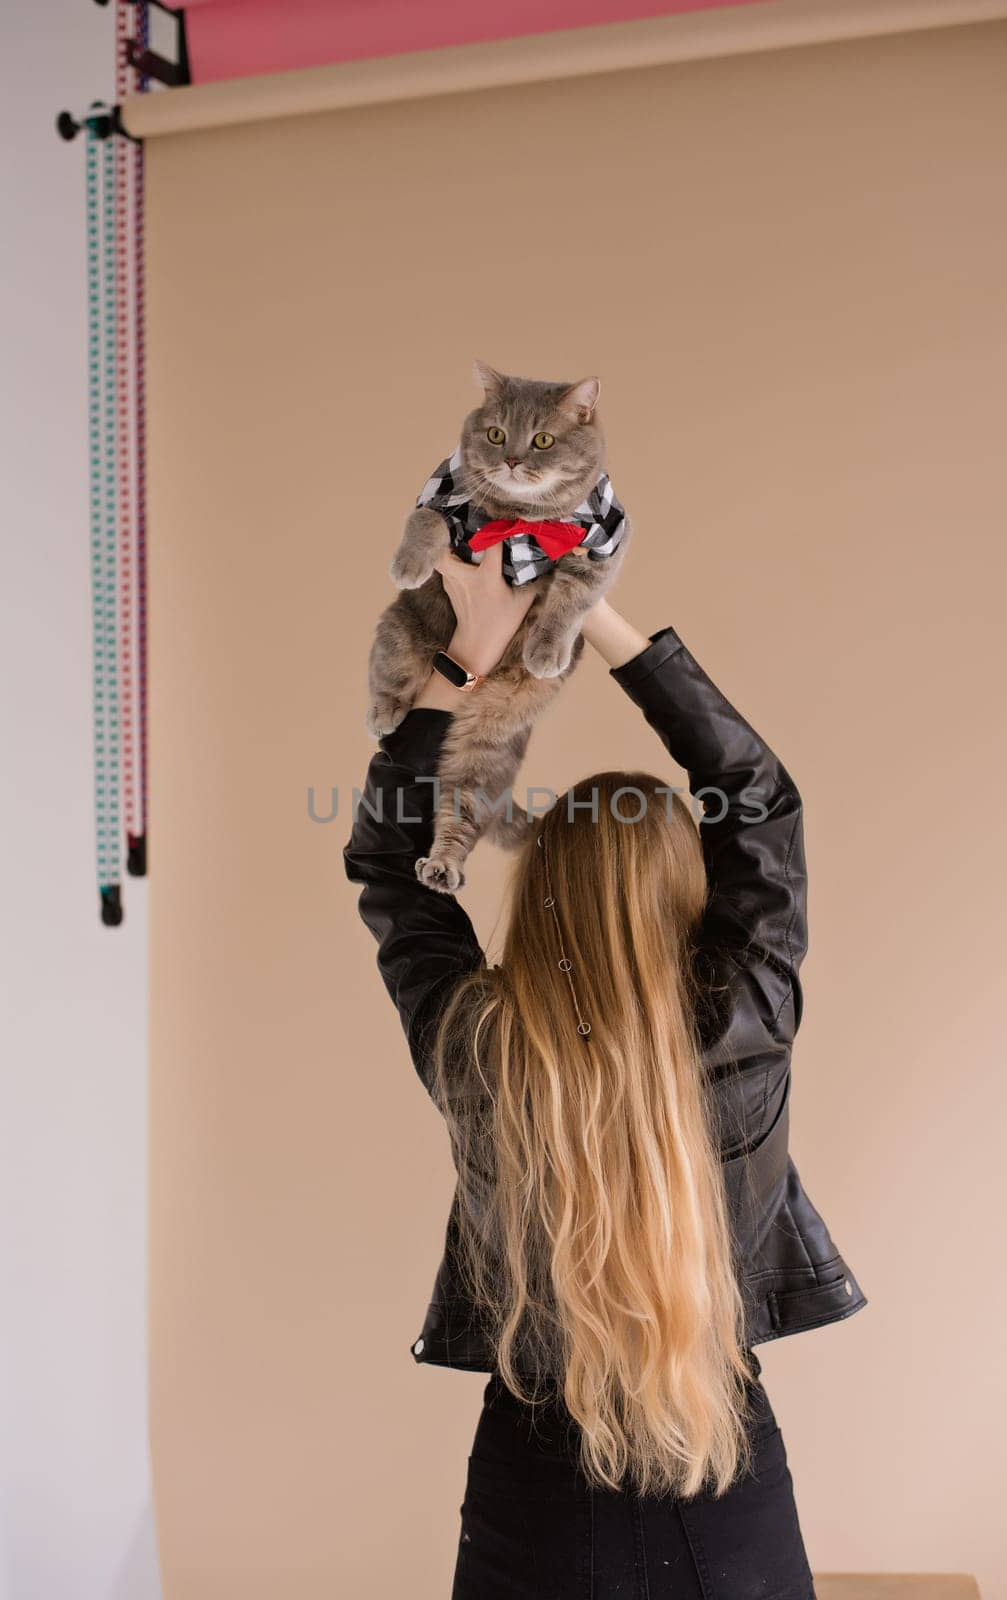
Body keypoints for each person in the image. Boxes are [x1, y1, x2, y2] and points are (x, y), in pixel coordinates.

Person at [343, 542, 866, 1598]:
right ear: (690, 894)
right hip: (722, 1463)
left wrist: (466, 658)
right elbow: (757, 798)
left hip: (531, 1490)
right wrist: (593, 618)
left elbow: (390, 860)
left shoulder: (481, 1042)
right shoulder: (748, 1017)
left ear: (538, 891)